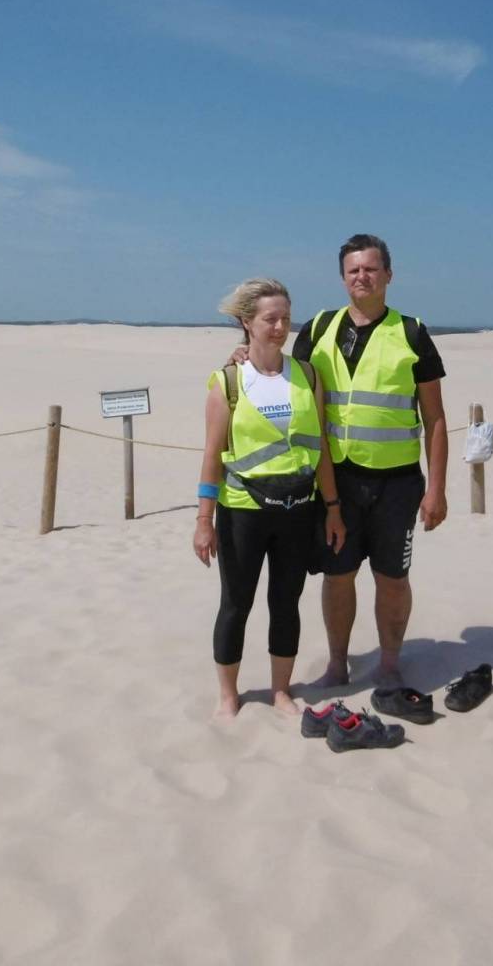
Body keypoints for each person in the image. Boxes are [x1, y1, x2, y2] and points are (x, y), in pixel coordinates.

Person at [234, 234, 447, 689]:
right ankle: (337, 664)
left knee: (393, 578)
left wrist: (437, 490)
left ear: (388, 274)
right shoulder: (318, 329)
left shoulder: (411, 333)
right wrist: (241, 354)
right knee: (338, 576)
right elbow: (278, 370)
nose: (362, 276)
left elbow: (436, 418)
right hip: (336, 483)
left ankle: (389, 663)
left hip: (397, 484)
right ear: (342, 277)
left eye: (370, 268)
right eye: (353, 270)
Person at [194, 279, 345, 721]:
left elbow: (320, 447)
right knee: (235, 604)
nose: (280, 327)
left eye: (285, 318)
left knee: (286, 602)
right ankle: (228, 695)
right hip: (243, 512)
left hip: (297, 510)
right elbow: (212, 455)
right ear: (247, 322)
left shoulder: (307, 375)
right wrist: (204, 519)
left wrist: (332, 508)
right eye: (270, 319)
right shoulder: (228, 381)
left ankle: (281, 691)